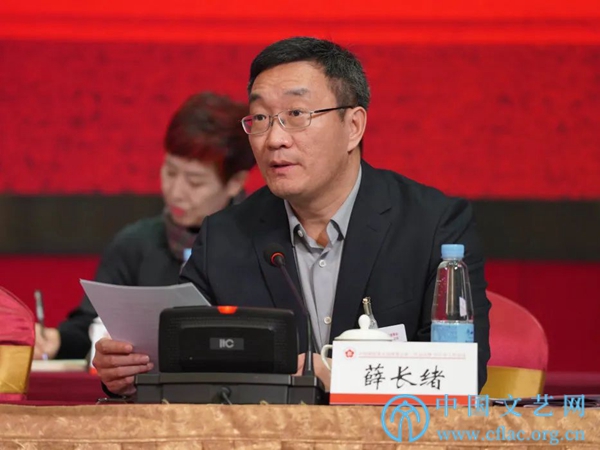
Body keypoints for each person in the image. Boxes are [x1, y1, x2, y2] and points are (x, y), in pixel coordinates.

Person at [94, 36, 491, 396]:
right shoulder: (225, 235)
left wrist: (340, 376)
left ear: (353, 126)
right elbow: (185, 362)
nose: (274, 139)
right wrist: (128, 372)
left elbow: (462, 372)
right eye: (261, 118)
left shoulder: (433, 225)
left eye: (296, 114)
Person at [34, 91, 255, 360]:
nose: (175, 191)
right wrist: (54, 340)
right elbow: (92, 328)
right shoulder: (135, 244)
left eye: (195, 182)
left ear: (235, 182)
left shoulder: (260, 245)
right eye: (170, 172)